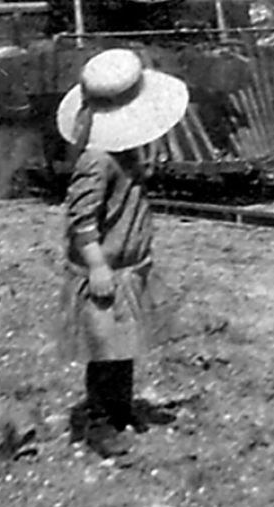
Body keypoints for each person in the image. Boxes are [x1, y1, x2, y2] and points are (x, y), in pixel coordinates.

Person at [55, 47, 188, 458]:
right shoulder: (97, 160)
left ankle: (120, 409)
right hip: (106, 272)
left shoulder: (123, 153)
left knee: (123, 347)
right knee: (103, 352)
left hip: (128, 269)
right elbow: (81, 219)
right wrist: (95, 264)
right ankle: (99, 423)